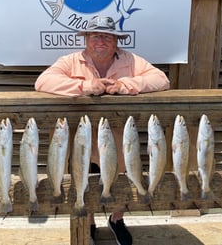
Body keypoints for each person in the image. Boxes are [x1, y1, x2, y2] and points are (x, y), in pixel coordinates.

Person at [35, 15, 170, 245]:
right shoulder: (71, 60)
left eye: (107, 36)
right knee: (83, 180)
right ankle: (88, 222)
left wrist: (125, 85)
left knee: (122, 179)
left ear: (116, 41)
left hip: (118, 138)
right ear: (86, 39)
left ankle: (117, 220)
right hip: (83, 140)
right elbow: (43, 82)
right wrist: (85, 86)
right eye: (95, 35)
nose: (101, 40)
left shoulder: (131, 60)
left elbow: (161, 79)